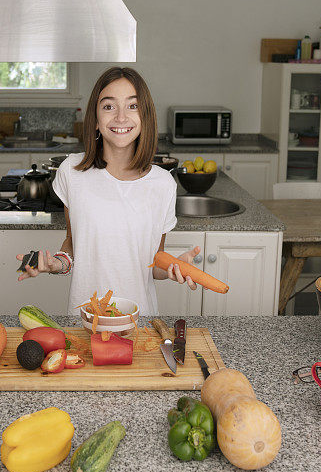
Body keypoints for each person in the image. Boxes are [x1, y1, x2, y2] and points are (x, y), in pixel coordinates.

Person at [16, 67, 199, 315]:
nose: (121, 117)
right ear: (95, 120)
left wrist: (174, 268)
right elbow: (73, 245)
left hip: (139, 322)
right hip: (84, 319)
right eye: (109, 106)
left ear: (145, 117)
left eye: (132, 106)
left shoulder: (163, 184)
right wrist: (55, 264)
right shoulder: (72, 171)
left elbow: (153, 263)